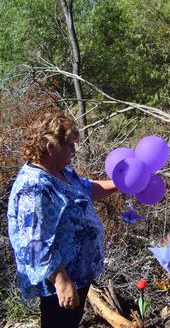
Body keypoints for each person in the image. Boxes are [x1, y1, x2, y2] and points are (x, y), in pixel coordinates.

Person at [6, 112, 117, 328]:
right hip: (61, 280)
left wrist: (121, 183)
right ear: (51, 147)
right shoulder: (35, 188)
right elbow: (34, 243)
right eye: (69, 146)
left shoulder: (60, 171)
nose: (74, 152)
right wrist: (61, 280)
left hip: (77, 273)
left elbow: (86, 189)